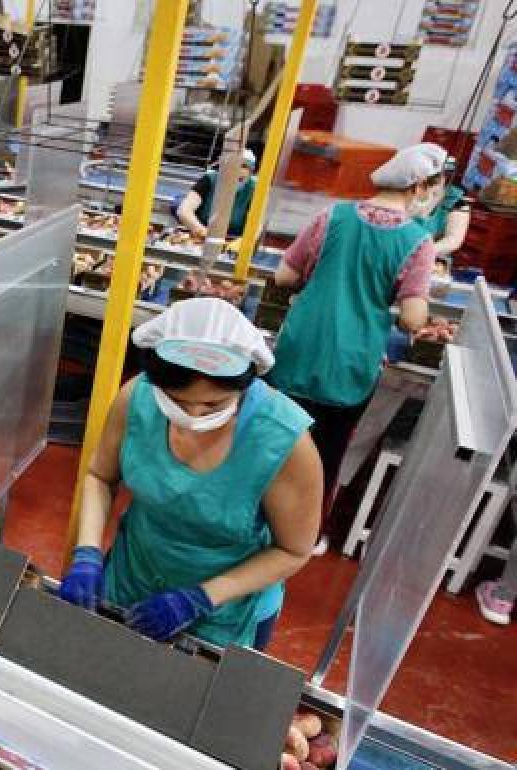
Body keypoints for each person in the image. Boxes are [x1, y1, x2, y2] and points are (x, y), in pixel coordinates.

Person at [59, 298, 322, 649]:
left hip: (224, 611)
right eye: (178, 403)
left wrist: (199, 598)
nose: (195, 416)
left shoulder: (283, 441)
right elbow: (100, 477)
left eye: (214, 405)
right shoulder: (137, 398)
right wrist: (88, 552)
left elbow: (293, 551)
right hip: (133, 576)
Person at [267, 143, 440, 554]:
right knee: (326, 451)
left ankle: (257, 515)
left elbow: (284, 275)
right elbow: (413, 318)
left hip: (299, 347)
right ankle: (306, 535)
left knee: (275, 437)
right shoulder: (418, 242)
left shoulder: (332, 216)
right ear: (418, 188)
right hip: (351, 363)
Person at [175, 149, 258, 239]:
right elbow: (184, 211)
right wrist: (202, 232)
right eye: (233, 165)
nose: (238, 170)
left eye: (244, 166)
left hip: (234, 239)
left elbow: (256, 226)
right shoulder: (209, 180)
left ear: (251, 172)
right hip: (200, 234)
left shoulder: (255, 189)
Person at [414, 157, 471, 257]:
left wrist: (424, 253)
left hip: (431, 258)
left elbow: (453, 240)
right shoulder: (411, 189)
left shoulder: (457, 201)